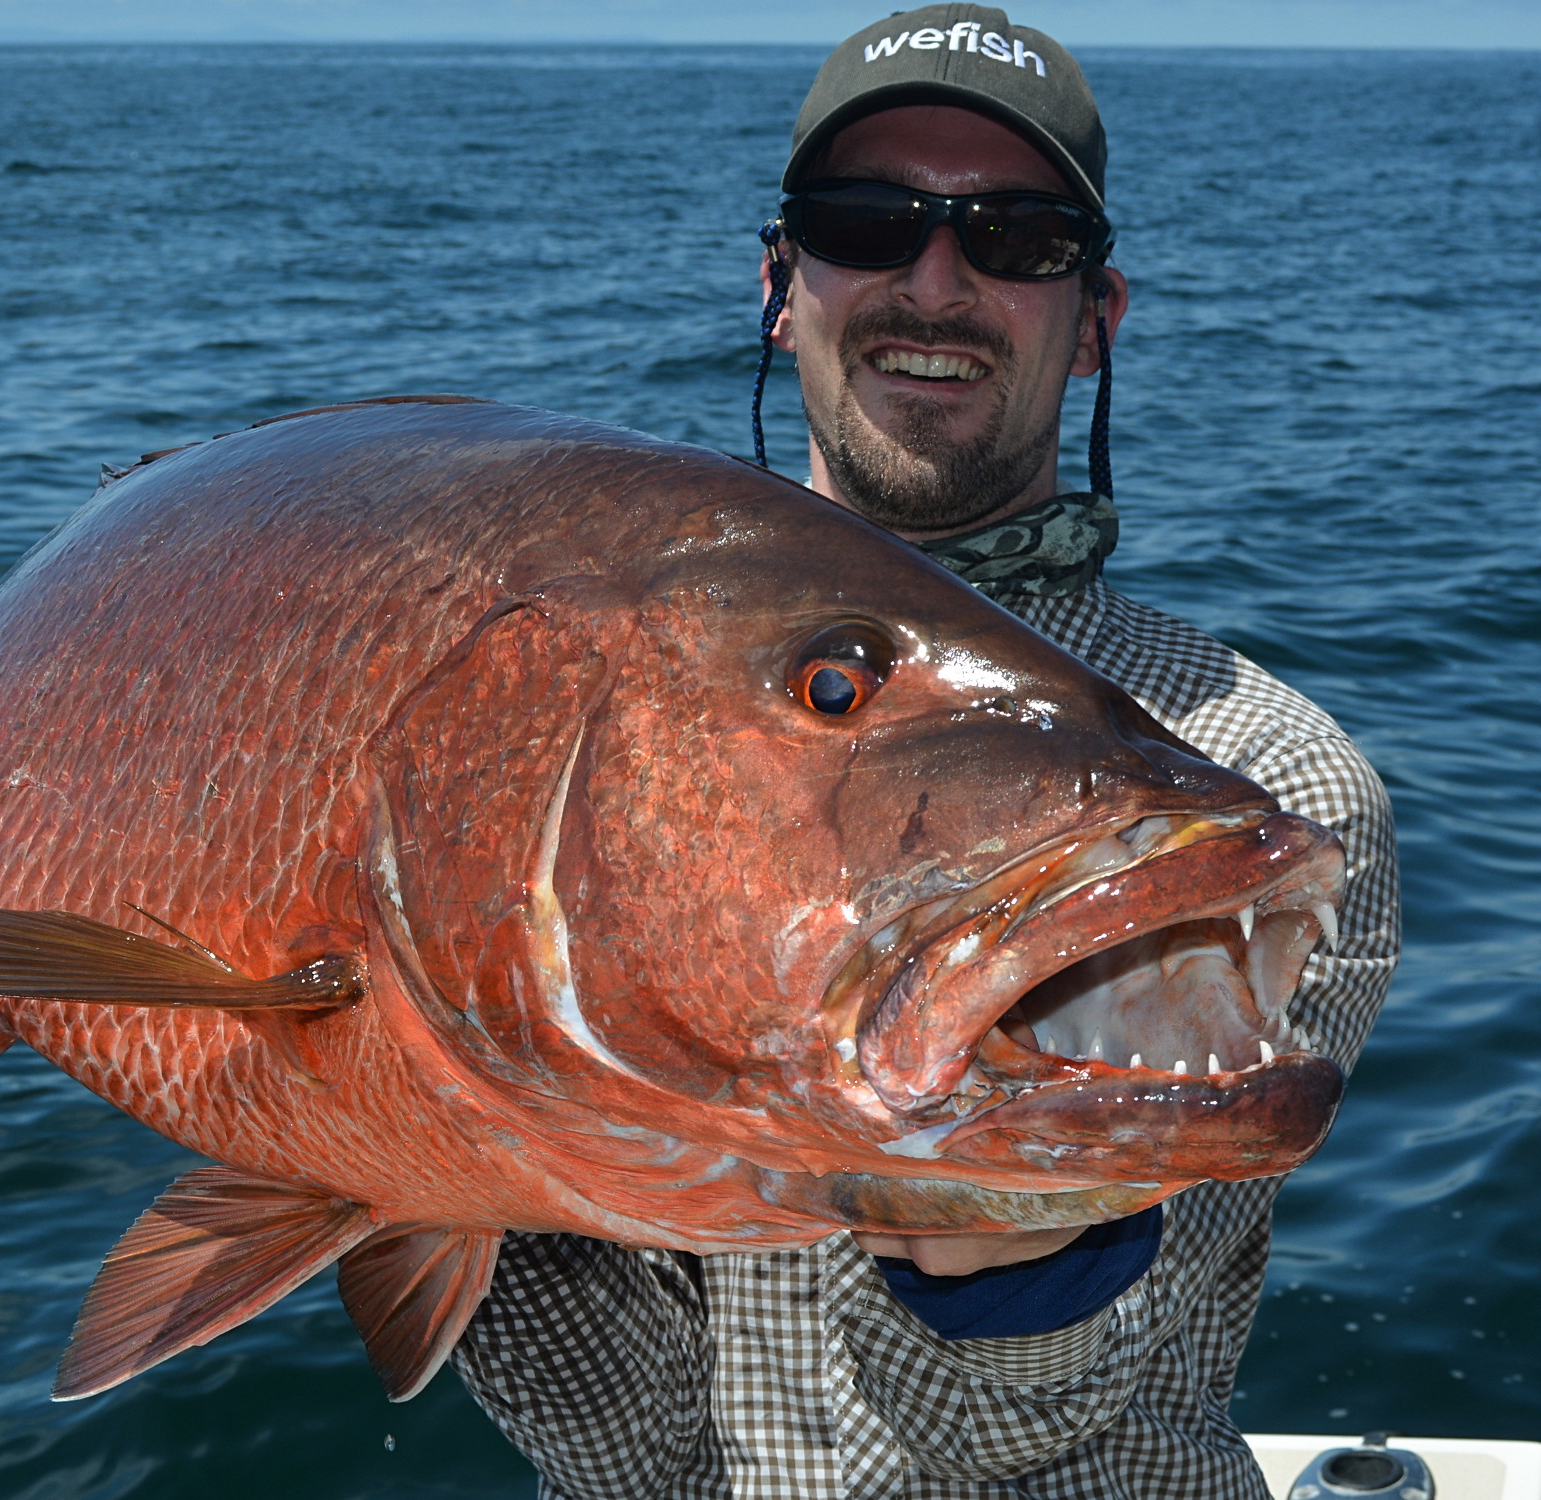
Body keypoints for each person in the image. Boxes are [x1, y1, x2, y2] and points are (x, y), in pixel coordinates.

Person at [450, 6, 1400, 1497]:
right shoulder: (578, 716)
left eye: (1018, 238)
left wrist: (1022, 1258)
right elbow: (618, 1441)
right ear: (781, 286)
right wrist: (402, 1100)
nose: (937, 282)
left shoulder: (1260, 783)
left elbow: (1010, 1441)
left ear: (1097, 318)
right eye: (867, 221)